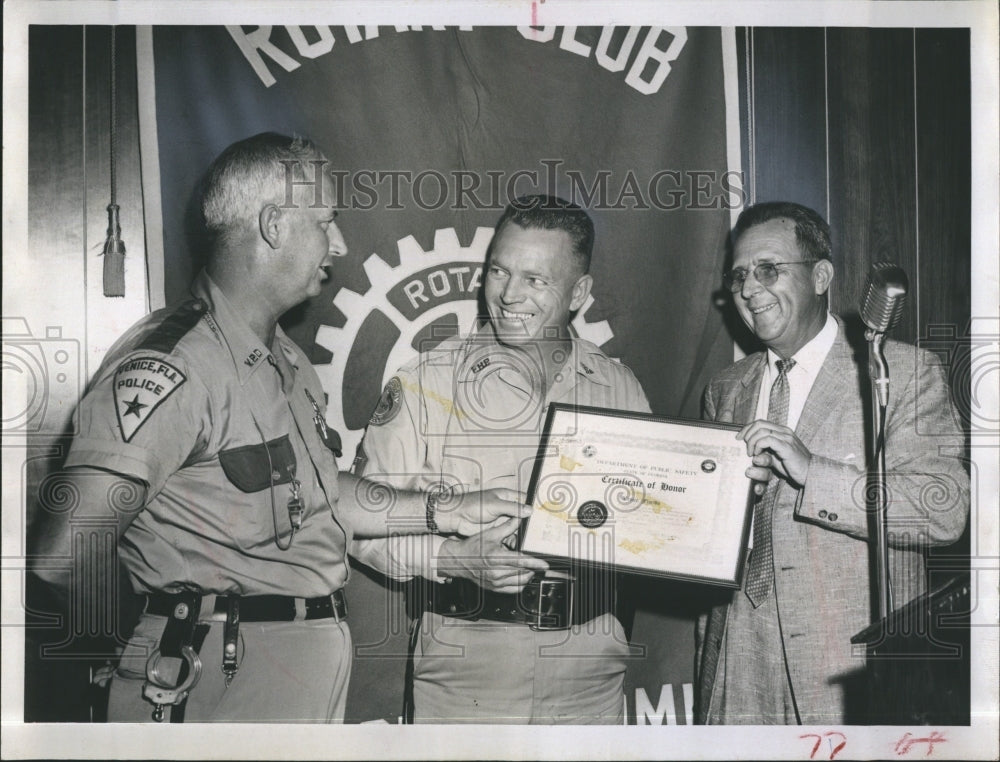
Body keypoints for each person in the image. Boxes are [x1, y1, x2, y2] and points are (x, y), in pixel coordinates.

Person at [30, 132, 524, 723]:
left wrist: (449, 509)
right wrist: (144, 642)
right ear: (272, 226)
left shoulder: (283, 361)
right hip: (215, 674)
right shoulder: (174, 365)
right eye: (325, 221)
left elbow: (318, 496)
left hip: (290, 674)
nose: (338, 243)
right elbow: (65, 554)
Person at [351, 195, 651, 724]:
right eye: (498, 271)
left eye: (536, 280)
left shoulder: (618, 386)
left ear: (579, 292)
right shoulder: (426, 383)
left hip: (592, 664)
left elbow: (651, 522)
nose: (509, 295)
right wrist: (453, 559)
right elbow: (360, 524)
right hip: (468, 663)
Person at [695, 201, 969, 724]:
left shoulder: (902, 373)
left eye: (768, 269)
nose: (750, 289)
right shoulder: (725, 390)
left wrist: (811, 472)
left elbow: (946, 509)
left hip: (849, 665)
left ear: (821, 276)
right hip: (737, 656)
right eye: (738, 277)